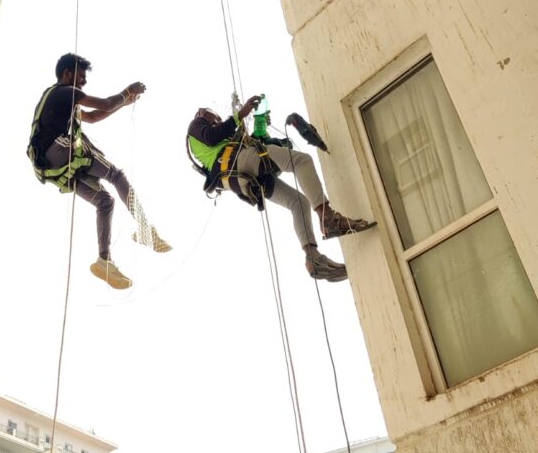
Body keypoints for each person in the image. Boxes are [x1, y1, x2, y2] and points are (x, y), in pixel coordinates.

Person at [187, 97, 375, 282]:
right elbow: (213, 136)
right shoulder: (196, 125)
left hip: (243, 177)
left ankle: (313, 257)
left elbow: (254, 141)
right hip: (238, 164)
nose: (218, 119)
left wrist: (259, 122)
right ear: (203, 113)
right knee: (302, 161)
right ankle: (328, 218)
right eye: (215, 117)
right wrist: (242, 113)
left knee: (298, 202)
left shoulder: (225, 140)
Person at [29, 53, 171, 290]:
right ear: (67, 74)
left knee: (105, 201)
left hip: (53, 165)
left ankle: (104, 260)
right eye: (81, 77)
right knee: (116, 175)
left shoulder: (63, 103)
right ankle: (145, 229)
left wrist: (124, 103)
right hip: (58, 149)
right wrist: (126, 92)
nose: (84, 82)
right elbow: (104, 103)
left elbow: (93, 117)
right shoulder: (65, 92)